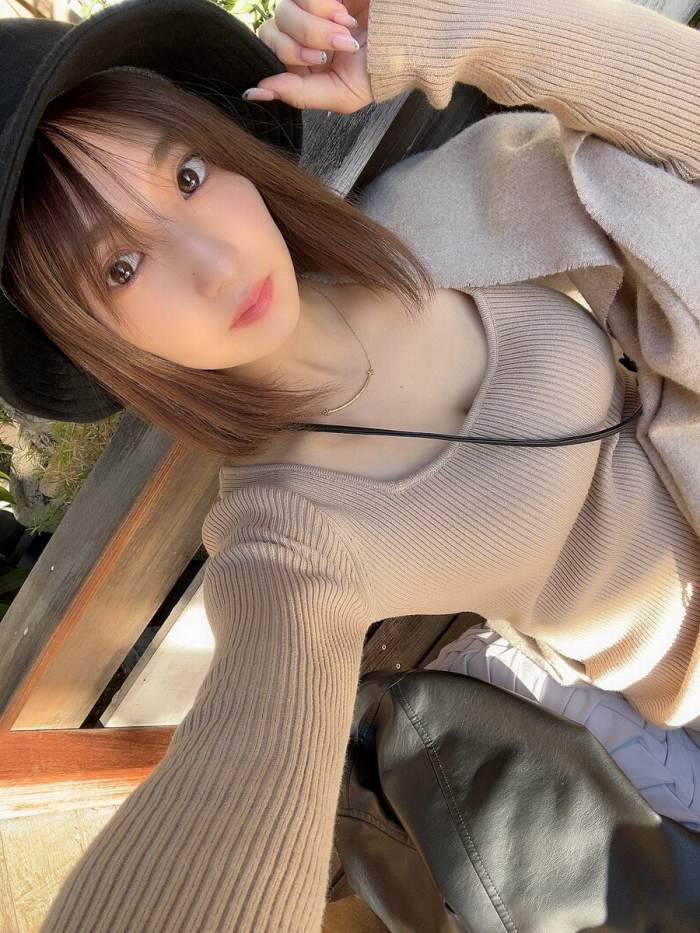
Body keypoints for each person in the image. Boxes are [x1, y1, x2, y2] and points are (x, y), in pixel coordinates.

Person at [0, 0, 696, 929]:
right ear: (91, 341)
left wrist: (443, 28)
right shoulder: (288, 538)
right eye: (120, 267)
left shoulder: (436, 208)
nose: (214, 262)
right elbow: (236, 788)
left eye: (188, 174)